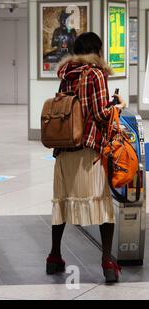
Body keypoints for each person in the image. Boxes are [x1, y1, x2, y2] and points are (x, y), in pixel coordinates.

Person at [46, 32, 127, 283]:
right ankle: (107, 263)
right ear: (97, 51)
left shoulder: (67, 75)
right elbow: (101, 114)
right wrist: (119, 106)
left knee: (62, 202)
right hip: (88, 150)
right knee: (102, 206)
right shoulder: (95, 74)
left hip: (64, 150)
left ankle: (54, 257)